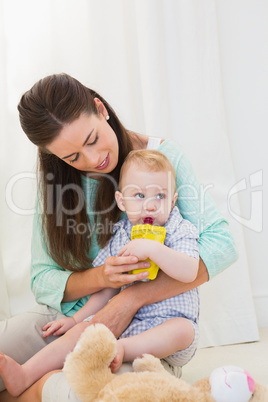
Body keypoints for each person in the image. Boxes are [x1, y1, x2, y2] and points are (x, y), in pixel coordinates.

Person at [0, 73, 237, 400]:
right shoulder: (59, 180)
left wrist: (131, 298)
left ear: (101, 109)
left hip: (148, 334)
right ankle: (38, 380)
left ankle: (40, 387)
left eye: (92, 139)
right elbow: (43, 279)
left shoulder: (161, 162)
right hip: (73, 321)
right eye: (73, 157)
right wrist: (103, 278)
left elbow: (220, 246)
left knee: (82, 392)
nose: (93, 159)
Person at [0, 149, 200, 396]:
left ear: (172, 200)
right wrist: (76, 319)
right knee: (84, 330)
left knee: (184, 329)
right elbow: (107, 289)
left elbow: (190, 271)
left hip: (167, 335)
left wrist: (152, 249)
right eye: (139, 195)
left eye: (160, 195)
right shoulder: (121, 235)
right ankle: (26, 374)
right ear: (121, 201)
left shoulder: (179, 228)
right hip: (125, 324)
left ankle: (123, 349)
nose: (150, 205)